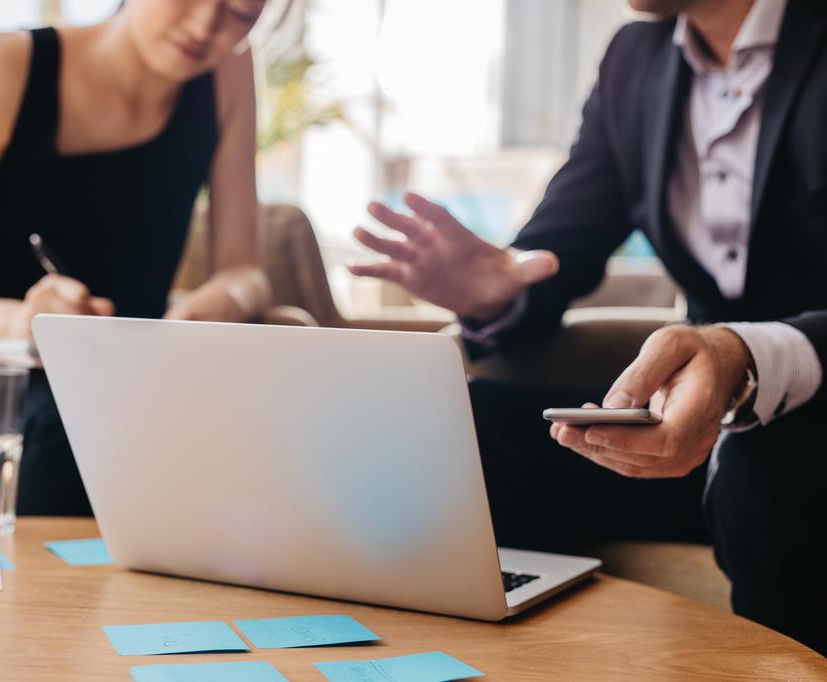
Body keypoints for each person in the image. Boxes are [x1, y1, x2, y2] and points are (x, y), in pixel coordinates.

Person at [351, 0, 827, 654]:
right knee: (462, 426)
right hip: (698, 428)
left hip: (806, 423)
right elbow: (554, 253)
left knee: (761, 462)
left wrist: (745, 355)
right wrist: (492, 292)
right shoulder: (634, 59)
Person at [0, 0, 275, 516]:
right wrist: (23, 322)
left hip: (104, 391)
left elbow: (246, 270)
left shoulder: (227, 72)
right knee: (74, 434)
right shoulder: (8, 65)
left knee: (246, 427)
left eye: (240, 12)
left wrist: (225, 298)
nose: (207, 26)